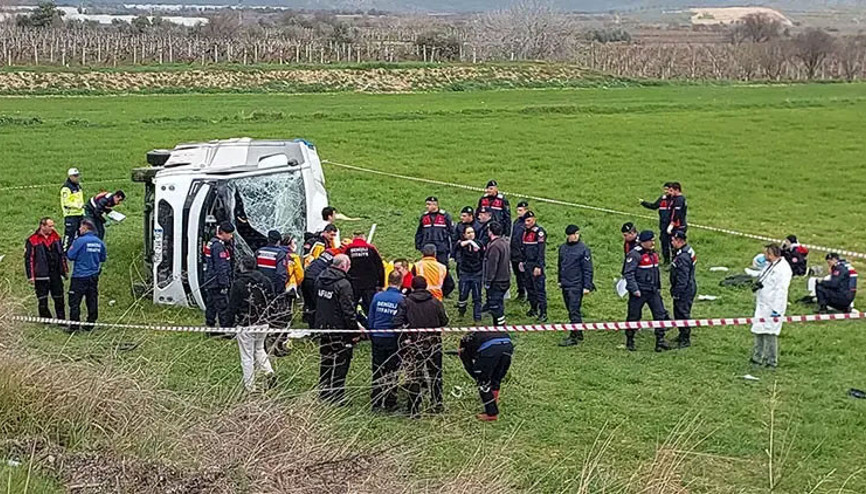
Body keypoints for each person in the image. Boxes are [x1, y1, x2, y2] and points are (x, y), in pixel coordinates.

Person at [394, 277, 449, 418]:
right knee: (436, 374)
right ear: (426, 286)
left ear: (412, 286)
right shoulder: (436, 302)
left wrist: (406, 337)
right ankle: (437, 403)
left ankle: (413, 408)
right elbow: (444, 321)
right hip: (433, 343)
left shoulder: (406, 302)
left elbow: (397, 321)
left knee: (414, 375)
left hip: (413, 344)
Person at [315, 254, 359, 405]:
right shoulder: (343, 284)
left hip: (323, 327)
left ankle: (323, 391)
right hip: (340, 329)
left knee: (326, 360)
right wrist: (353, 331)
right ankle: (338, 395)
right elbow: (348, 310)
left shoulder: (320, 279)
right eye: (349, 265)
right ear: (343, 266)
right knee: (341, 362)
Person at [228, 256, 275, 392]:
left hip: (245, 323)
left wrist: (228, 324)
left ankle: (250, 386)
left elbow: (232, 306)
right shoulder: (266, 280)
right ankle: (268, 371)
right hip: (263, 321)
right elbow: (272, 299)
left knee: (247, 356)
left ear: (242, 266)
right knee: (259, 349)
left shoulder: (238, 284)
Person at [622, 230, 670, 352]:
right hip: (639, 292)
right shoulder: (635, 255)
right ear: (644, 242)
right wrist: (635, 289)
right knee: (634, 316)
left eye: (654, 240)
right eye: (651, 241)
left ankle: (660, 340)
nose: (653, 243)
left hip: (653, 291)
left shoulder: (653, 254)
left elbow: (655, 272)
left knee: (660, 314)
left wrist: (658, 287)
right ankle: (630, 339)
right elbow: (628, 273)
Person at [368, 270, 406, 413]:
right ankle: (390, 401)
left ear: (388, 281)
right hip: (393, 338)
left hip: (377, 337)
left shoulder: (378, 297)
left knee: (377, 369)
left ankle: (376, 401)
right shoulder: (402, 299)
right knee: (392, 370)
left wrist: (372, 333)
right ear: (401, 282)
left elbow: (371, 318)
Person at [750, 244, 793, 369]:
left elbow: (781, 290)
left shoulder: (783, 269)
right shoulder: (770, 264)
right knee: (758, 330)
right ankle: (757, 357)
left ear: (772, 254)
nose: (765, 256)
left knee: (770, 332)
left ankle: (771, 360)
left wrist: (777, 309)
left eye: (766, 254)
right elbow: (759, 270)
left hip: (773, 305)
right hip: (763, 303)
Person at [459, 327, 513, 422]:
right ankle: (493, 402)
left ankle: (491, 413)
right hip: (508, 345)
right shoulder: (483, 332)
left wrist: (478, 376)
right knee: (496, 378)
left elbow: (470, 366)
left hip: (490, 349)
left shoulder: (465, 342)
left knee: (483, 382)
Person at [65, 219, 106, 332]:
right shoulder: (99, 242)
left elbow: (70, 255)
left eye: (80, 227)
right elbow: (103, 258)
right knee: (92, 300)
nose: (79, 229)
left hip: (79, 276)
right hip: (93, 276)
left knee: (74, 301)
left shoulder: (80, 241)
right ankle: (90, 323)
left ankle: (74, 326)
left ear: (85, 228)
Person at [557, 225, 595, 347]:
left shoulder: (583, 249)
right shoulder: (562, 248)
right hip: (566, 284)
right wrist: (559, 280)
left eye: (578, 234)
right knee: (570, 309)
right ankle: (578, 332)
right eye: (574, 234)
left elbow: (588, 269)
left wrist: (587, 286)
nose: (576, 236)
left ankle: (574, 336)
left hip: (576, 285)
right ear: (569, 235)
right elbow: (560, 265)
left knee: (574, 310)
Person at [25, 217, 67, 320]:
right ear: (42, 226)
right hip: (41, 274)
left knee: (59, 298)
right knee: (42, 299)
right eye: (50, 226)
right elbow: (29, 259)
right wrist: (31, 276)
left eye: (53, 226)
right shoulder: (32, 240)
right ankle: (45, 319)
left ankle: (61, 319)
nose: (52, 228)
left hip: (55, 273)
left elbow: (61, 255)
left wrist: (64, 270)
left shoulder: (56, 237)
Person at [415, 196, 454, 292]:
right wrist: (419, 245)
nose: (427, 206)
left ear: (435, 205)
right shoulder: (424, 217)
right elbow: (420, 232)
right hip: (427, 249)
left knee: (443, 269)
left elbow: (452, 232)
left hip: (441, 249)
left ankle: (446, 289)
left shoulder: (445, 216)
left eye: (429, 204)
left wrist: (450, 247)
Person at [204, 222, 235, 332]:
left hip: (210, 279)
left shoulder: (211, 242)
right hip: (217, 281)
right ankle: (226, 330)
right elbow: (221, 267)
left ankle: (210, 326)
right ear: (223, 233)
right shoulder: (219, 247)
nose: (231, 236)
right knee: (223, 306)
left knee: (211, 305)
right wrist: (225, 283)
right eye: (230, 234)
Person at [345, 231, 385, 315]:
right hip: (369, 284)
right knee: (370, 308)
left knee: (352, 307)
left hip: (353, 284)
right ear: (364, 238)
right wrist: (381, 284)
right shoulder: (371, 249)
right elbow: (380, 266)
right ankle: (370, 325)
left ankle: (352, 324)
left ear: (353, 238)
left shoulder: (348, 249)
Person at [669, 231, 697, 349]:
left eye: (673, 240)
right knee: (680, 312)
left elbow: (683, 278)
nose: (671, 242)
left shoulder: (683, 257)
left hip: (684, 290)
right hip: (688, 287)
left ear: (679, 241)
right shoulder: (688, 250)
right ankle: (682, 334)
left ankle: (685, 338)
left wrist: (677, 292)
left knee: (682, 313)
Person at [301, 247, 339, 327]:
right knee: (318, 304)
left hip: (306, 276)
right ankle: (318, 328)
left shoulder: (328, 251)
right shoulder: (338, 257)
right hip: (315, 279)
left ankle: (312, 328)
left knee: (310, 304)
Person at [521, 211, 548, 322]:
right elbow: (523, 248)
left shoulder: (539, 232)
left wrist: (538, 266)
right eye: (525, 221)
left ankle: (543, 312)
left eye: (529, 220)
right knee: (529, 287)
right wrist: (522, 262)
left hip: (535, 264)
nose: (526, 223)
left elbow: (541, 251)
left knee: (539, 289)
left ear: (534, 220)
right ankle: (533, 308)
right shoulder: (525, 232)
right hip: (527, 263)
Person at [483, 222, 511, 326]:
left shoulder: (494, 246)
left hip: (497, 281)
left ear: (490, 231)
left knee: (495, 306)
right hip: (505, 278)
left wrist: (488, 281)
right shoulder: (504, 243)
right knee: (499, 303)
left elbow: (492, 265)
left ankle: (499, 326)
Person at [455, 226, 484, 323]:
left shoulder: (479, 243)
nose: (471, 234)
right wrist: (469, 242)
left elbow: (483, 254)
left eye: (472, 232)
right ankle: (461, 312)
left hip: (477, 273)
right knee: (463, 295)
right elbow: (457, 247)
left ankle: (477, 317)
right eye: (468, 233)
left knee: (477, 297)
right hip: (465, 273)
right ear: (464, 235)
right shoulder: (462, 244)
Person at [640, 183, 673, 264]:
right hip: (663, 226)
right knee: (664, 243)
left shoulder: (675, 200)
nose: (666, 191)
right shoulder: (662, 199)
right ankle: (666, 261)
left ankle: (675, 261)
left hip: (672, 226)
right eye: (665, 189)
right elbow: (654, 206)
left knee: (673, 244)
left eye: (668, 189)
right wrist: (643, 203)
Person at [60, 168, 84, 252]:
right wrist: (78, 206)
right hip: (70, 215)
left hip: (80, 214)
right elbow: (66, 202)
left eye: (77, 175)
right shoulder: (66, 188)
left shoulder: (78, 186)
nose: (77, 177)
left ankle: (78, 250)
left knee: (81, 234)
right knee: (69, 235)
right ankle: (64, 252)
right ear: (70, 176)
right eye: (75, 176)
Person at [511, 201, 530, 302]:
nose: (518, 212)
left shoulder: (527, 224)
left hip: (522, 254)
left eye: (520, 210)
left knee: (524, 275)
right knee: (518, 274)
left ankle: (528, 293)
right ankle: (521, 292)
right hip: (514, 253)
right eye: (517, 210)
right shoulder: (516, 222)